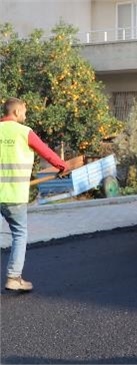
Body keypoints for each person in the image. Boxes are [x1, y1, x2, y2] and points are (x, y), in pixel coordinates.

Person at [1, 97, 67, 292]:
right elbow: (46, 152)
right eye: (24, 111)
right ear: (15, 112)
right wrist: (62, 166)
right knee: (19, 234)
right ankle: (13, 278)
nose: (26, 115)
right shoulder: (24, 133)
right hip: (14, 196)